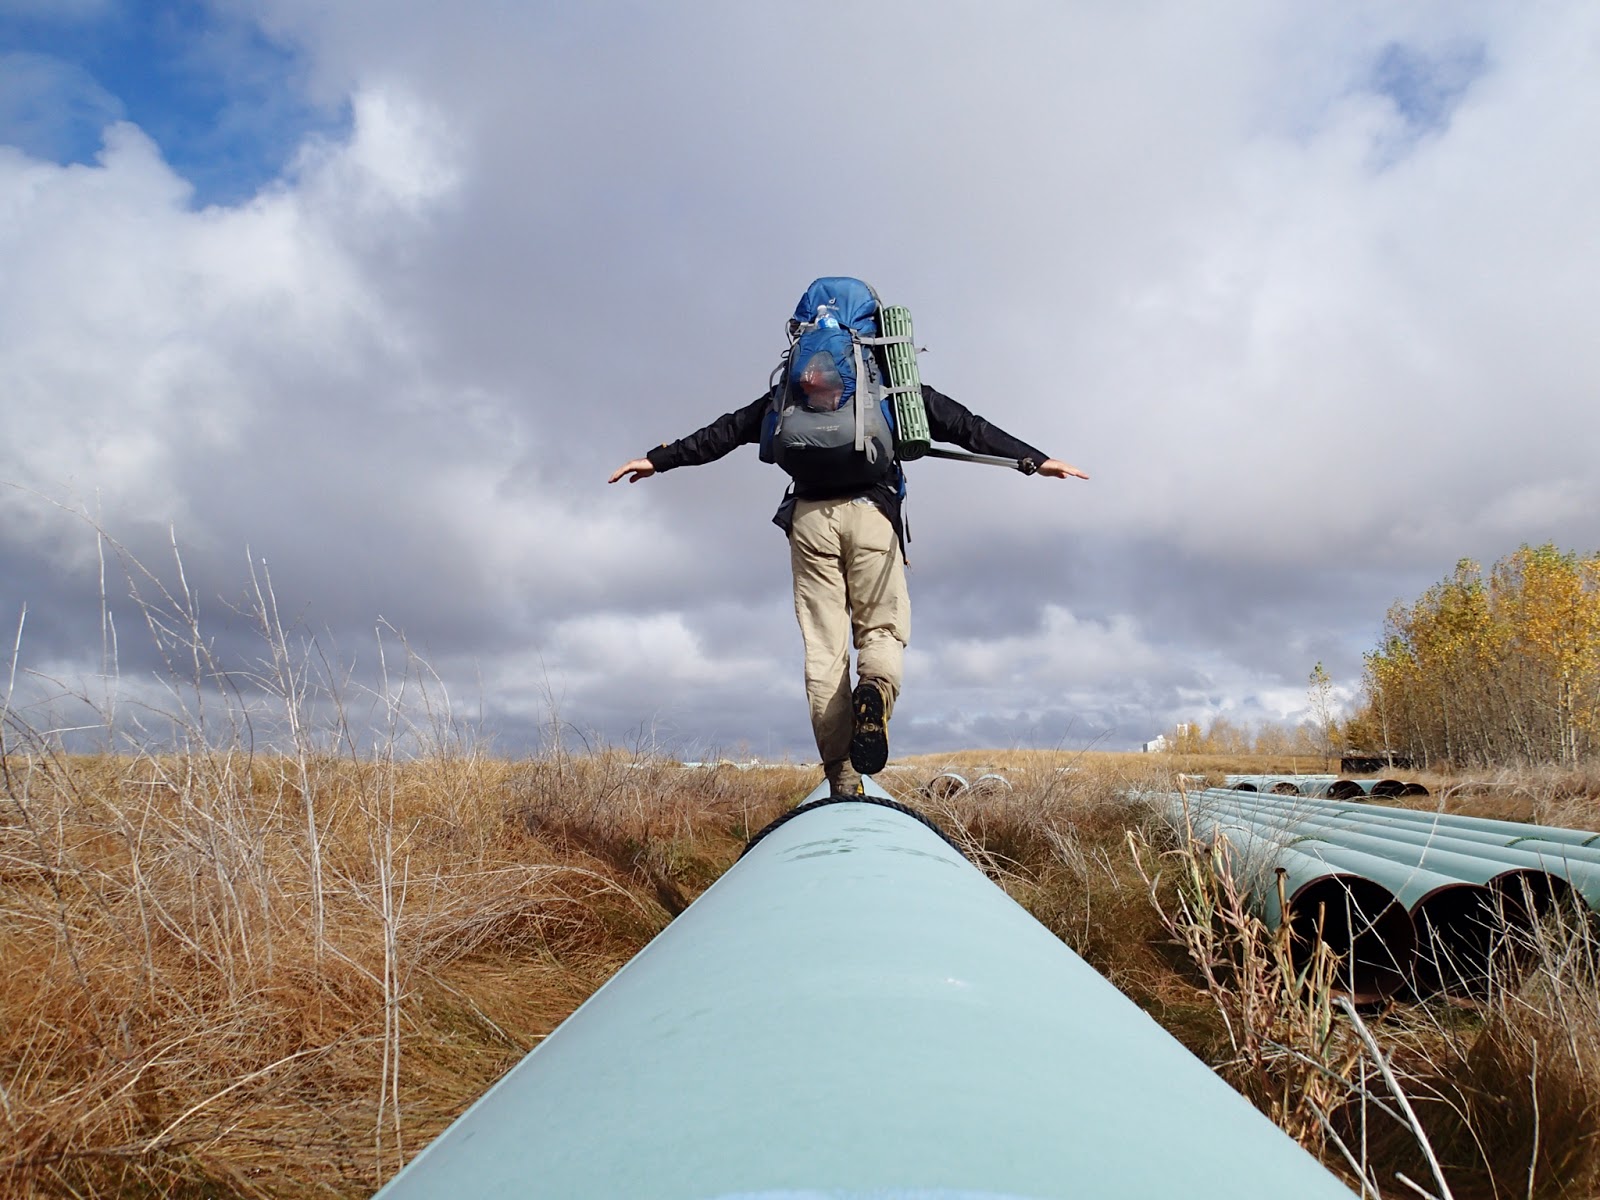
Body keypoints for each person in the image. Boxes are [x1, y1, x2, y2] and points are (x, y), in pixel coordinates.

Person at [609, 289, 1087, 796]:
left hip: (810, 520)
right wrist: (1035, 459)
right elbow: (968, 427)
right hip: (872, 517)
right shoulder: (892, 391)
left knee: (823, 650)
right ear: (872, 332)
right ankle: (875, 693)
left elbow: (722, 433)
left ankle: (841, 776)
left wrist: (657, 460)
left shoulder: (789, 393)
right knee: (880, 630)